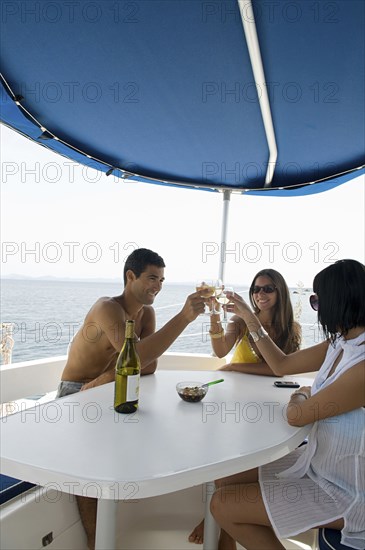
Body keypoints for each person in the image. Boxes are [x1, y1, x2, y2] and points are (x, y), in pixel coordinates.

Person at [209, 259, 365, 550]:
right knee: (226, 473)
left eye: (318, 299)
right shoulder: (340, 343)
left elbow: (297, 416)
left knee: (222, 504)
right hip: (317, 464)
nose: (317, 307)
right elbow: (281, 364)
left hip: (346, 490)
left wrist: (302, 395)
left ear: (339, 301)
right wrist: (249, 317)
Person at [56, 248, 205, 550]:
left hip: (108, 388)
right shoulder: (107, 308)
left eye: (162, 280)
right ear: (130, 276)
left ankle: (136, 524)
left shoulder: (145, 314)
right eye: (152, 278)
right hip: (78, 392)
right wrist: (184, 317)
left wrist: (109, 377)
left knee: (157, 432)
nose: (158, 286)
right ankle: (95, 541)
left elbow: (147, 366)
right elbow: (137, 360)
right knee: (89, 469)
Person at [189, 269, 302, 544]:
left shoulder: (291, 329)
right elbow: (219, 351)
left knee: (245, 455)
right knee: (226, 452)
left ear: (280, 293)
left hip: (267, 401)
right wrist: (216, 315)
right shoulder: (239, 321)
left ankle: (218, 515)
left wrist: (236, 366)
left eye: (268, 289)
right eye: (256, 289)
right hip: (235, 400)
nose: (260, 294)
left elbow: (279, 370)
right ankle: (221, 516)